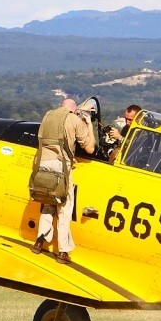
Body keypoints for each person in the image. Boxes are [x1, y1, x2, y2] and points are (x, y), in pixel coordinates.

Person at [31, 98, 95, 264]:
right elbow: (90, 148)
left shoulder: (48, 116)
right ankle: (63, 251)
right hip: (62, 169)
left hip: (42, 166)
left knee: (47, 204)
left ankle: (39, 241)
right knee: (65, 210)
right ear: (74, 110)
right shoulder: (74, 119)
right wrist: (88, 124)